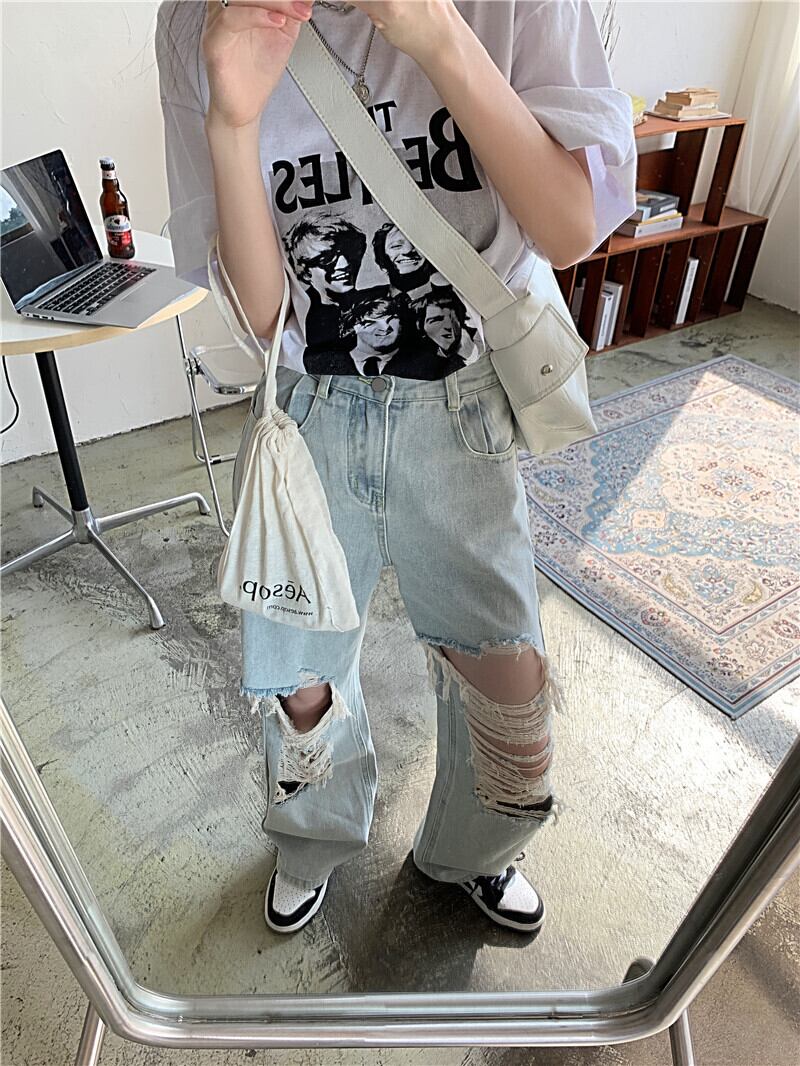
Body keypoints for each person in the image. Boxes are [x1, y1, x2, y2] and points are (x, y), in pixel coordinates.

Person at [156, 0, 637, 936]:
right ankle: (311, 842)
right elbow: (263, 319)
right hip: (310, 413)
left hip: (465, 403)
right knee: (298, 685)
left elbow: (572, 225)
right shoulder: (199, 21)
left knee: (507, 691)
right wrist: (234, 121)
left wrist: (438, 35)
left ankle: (474, 851)